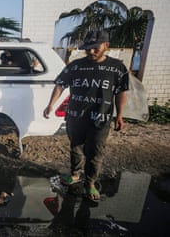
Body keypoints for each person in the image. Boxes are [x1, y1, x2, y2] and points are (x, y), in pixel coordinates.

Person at [43, 30, 129, 202]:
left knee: (95, 153)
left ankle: (90, 183)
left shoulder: (117, 67)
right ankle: (75, 174)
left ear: (106, 45)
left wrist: (120, 115)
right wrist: (51, 104)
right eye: (87, 48)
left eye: (95, 48)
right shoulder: (75, 65)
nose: (91, 52)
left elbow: (121, 92)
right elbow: (60, 85)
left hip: (101, 118)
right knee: (75, 147)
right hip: (75, 116)